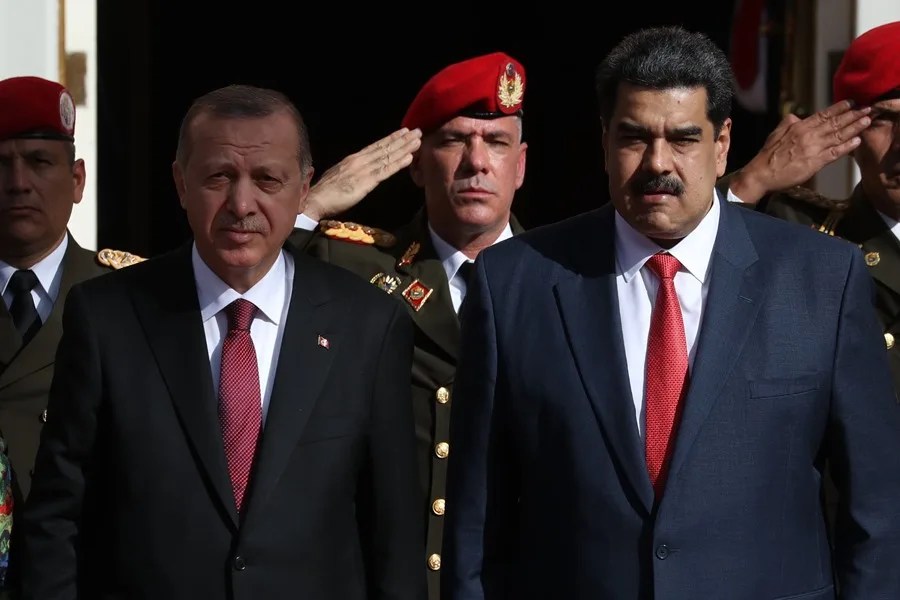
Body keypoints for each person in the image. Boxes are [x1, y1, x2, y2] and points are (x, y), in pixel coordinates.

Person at [442, 25, 900, 600]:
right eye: (634, 138)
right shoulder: (515, 281)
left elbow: (876, 510)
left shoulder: (822, 278)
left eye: (683, 139)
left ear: (722, 143)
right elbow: (476, 519)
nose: (657, 163)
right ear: (604, 140)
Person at [21, 84, 425, 599]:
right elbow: (57, 519)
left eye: (267, 179)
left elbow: (393, 537)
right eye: (219, 177)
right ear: (180, 183)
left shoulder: (367, 325)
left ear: (304, 189)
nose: (241, 203)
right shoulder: (108, 318)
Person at [290, 51, 527, 600]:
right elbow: (243, 289)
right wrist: (311, 206)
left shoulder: (565, 279)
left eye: (496, 142)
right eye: (454, 141)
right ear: (415, 164)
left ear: (520, 165)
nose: (476, 162)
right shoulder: (354, 266)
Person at [0, 75, 142, 596]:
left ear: (77, 180)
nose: (18, 183)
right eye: (0, 164)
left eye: (39, 162)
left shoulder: (132, 299)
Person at [725, 21, 900, 392]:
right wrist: (751, 182)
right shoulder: (795, 233)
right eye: (885, 119)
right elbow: (667, 265)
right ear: (846, 133)